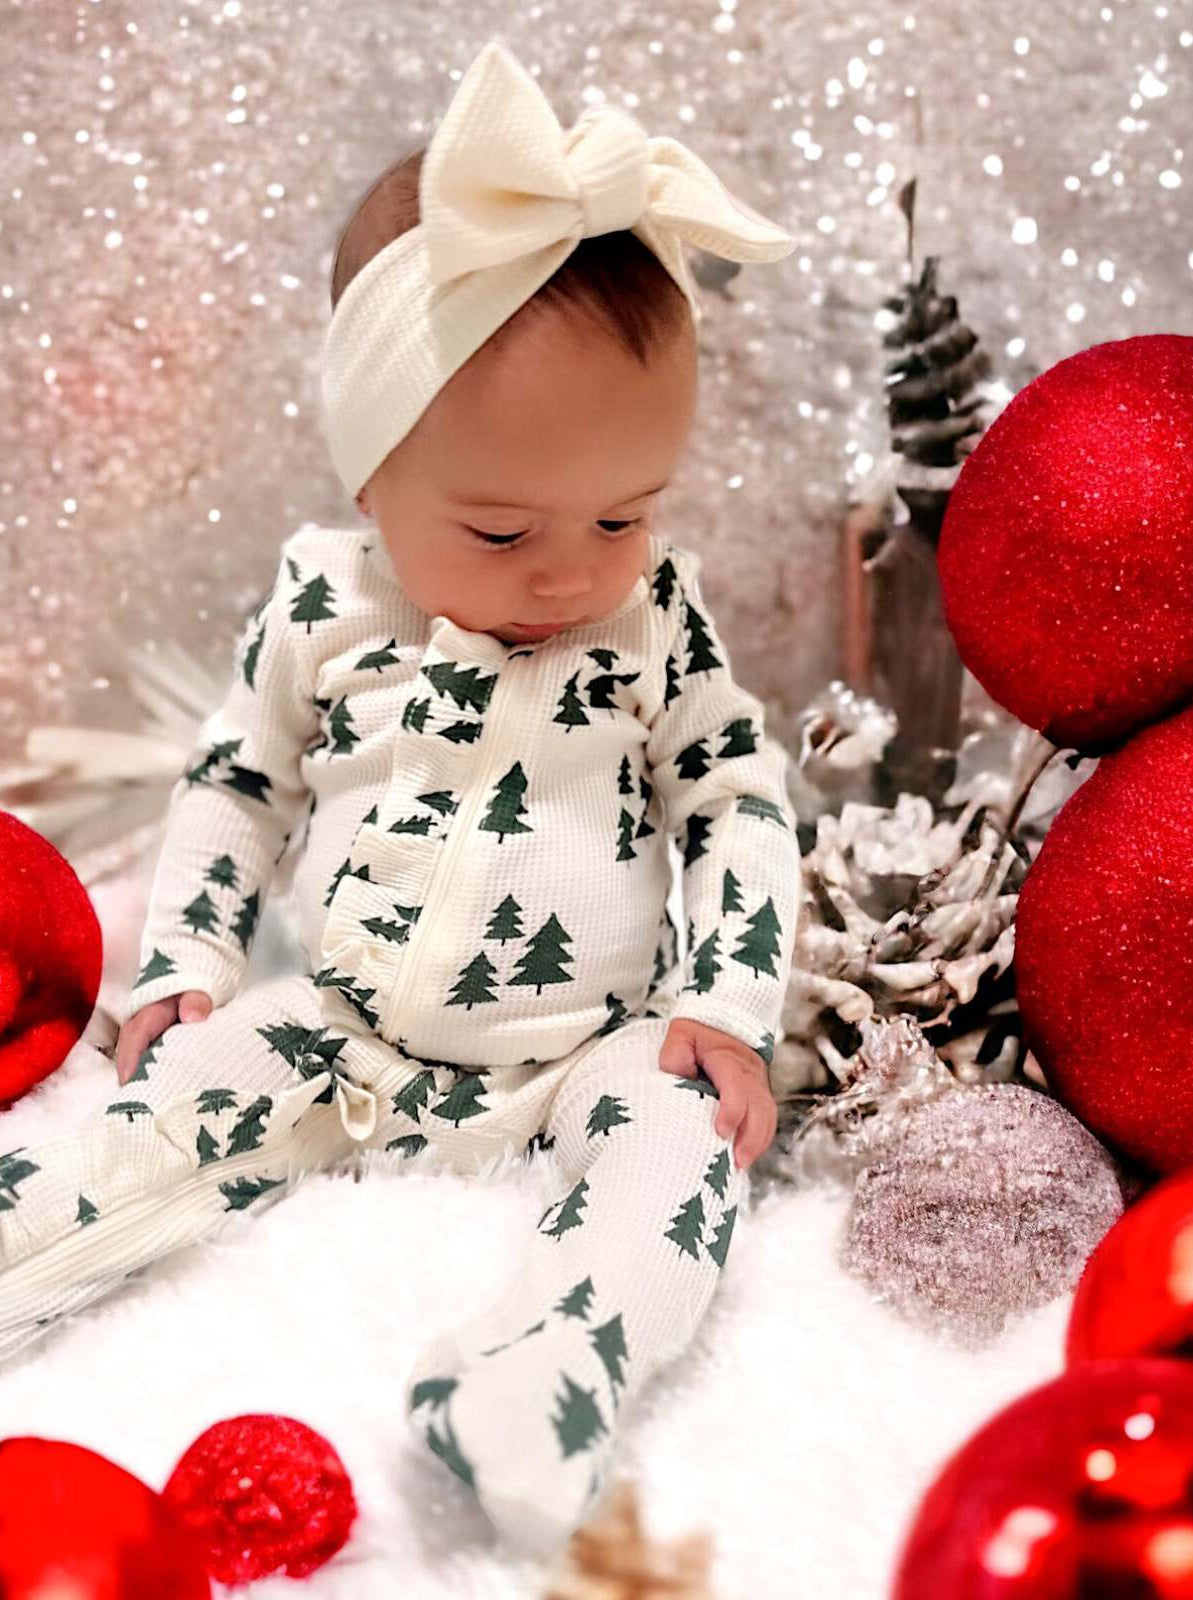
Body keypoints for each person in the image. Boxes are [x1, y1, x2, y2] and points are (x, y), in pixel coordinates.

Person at [0, 38, 802, 1560]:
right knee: (158, 1115)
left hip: (592, 1044)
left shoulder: (652, 625)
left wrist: (726, 1000)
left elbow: (735, 797)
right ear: (371, 476)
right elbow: (235, 786)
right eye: (499, 529)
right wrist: (187, 966)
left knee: (680, 1164)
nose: (569, 571)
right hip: (348, 1025)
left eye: (624, 513)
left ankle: (550, 1371)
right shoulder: (324, 604)